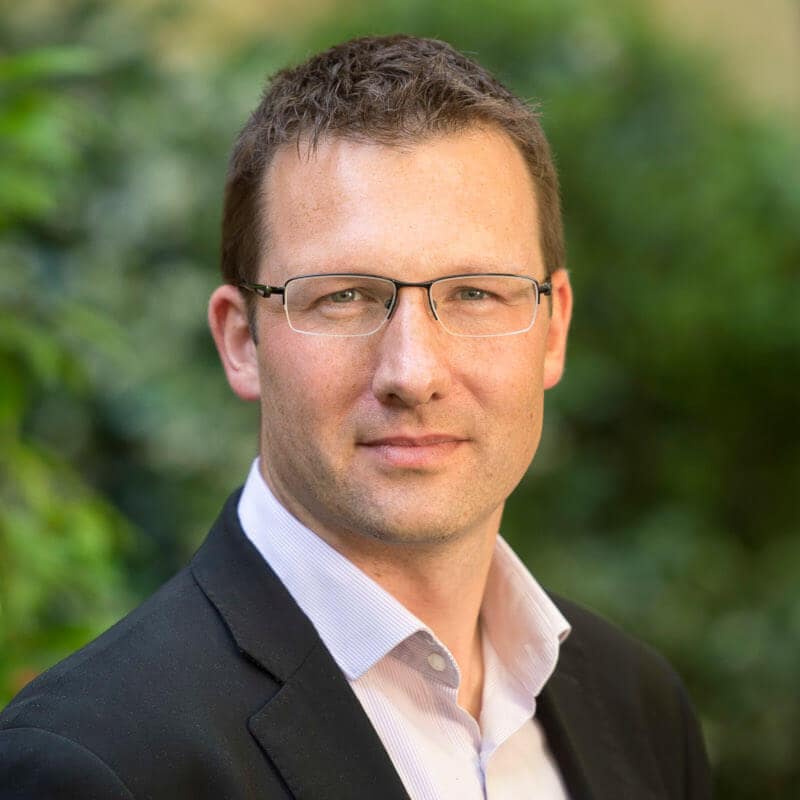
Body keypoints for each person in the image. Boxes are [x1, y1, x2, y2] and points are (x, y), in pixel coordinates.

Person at [0, 34, 711, 799]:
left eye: (476, 293)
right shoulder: (92, 764)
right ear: (241, 342)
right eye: (344, 296)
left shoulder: (640, 709)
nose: (413, 373)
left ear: (554, 329)